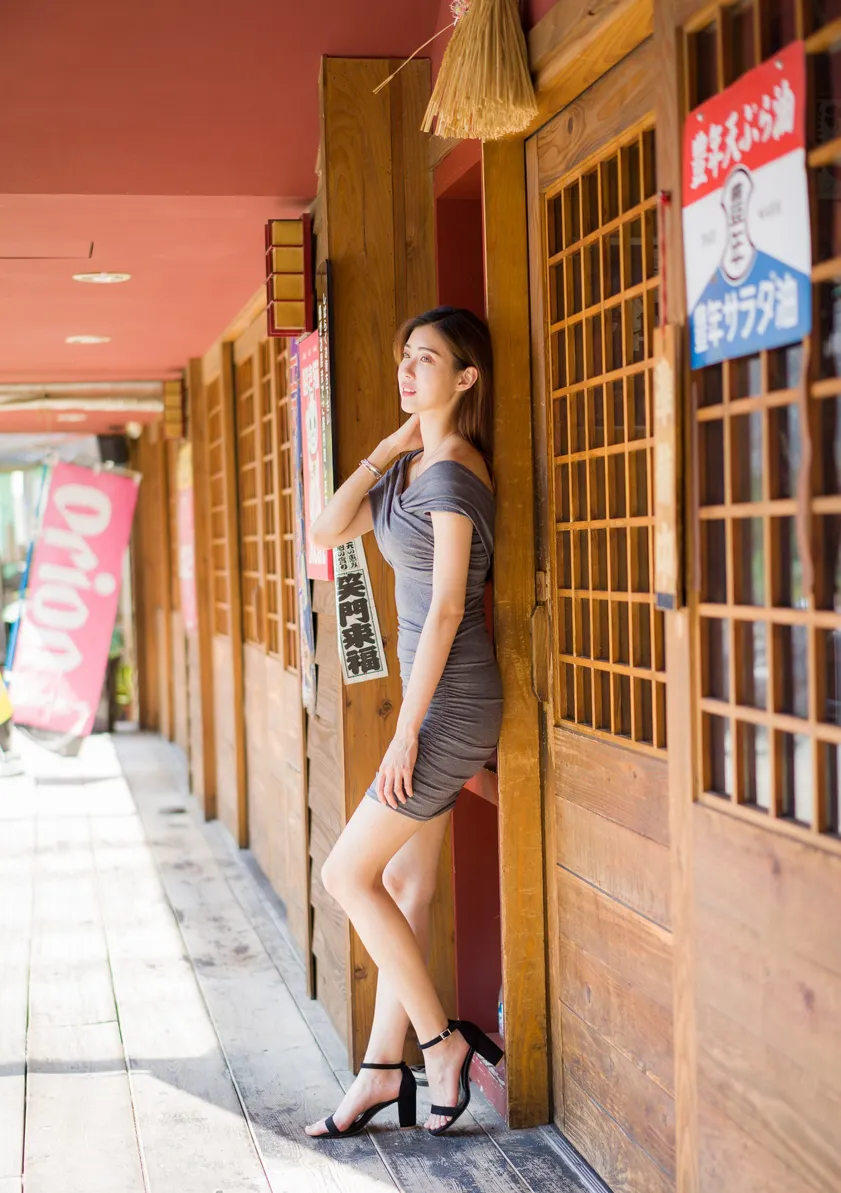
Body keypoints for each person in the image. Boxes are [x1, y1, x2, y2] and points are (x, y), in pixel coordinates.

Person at [305, 306, 503, 1139]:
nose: (407, 368)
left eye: (427, 359)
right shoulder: (411, 464)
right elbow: (325, 529)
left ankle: (439, 1043)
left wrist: (406, 731)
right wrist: (386, 448)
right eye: (403, 356)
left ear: (464, 378)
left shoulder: (456, 471)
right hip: (432, 701)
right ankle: (383, 1074)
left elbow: (453, 604)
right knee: (407, 887)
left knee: (345, 876)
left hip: (448, 702)